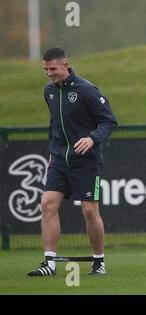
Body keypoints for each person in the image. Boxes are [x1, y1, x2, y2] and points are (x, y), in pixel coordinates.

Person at [27, 46, 118, 276]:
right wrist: (52, 151)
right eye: (46, 69)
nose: (49, 73)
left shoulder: (87, 90)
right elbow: (54, 125)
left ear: (65, 65)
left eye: (53, 69)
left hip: (86, 162)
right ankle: (50, 263)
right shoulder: (49, 91)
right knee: (47, 203)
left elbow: (109, 122)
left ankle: (99, 262)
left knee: (89, 210)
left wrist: (92, 138)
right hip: (58, 160)